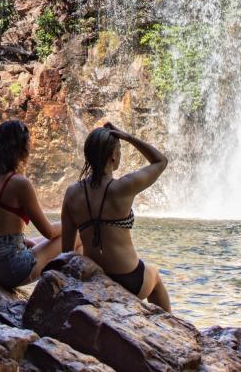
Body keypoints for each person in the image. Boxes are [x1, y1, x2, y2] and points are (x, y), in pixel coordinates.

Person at [60, 122, 171, 312]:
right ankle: (172, 332)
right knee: (155, 275)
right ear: (113, 155)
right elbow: (161, 161)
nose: (120, 154)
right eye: (119, 150)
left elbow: (67, 251)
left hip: (94, 278)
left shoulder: (72, 193)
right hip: (129, 279)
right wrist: (127, 136)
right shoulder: (123, 187)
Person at [0, 119, 63, 289]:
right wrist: (73, 222)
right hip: (9, 270)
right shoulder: (19, 183)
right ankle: (69, 295)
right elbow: (50, 232)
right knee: (77, 235)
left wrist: (24, 242)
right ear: (21, 148)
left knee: (37, 241)